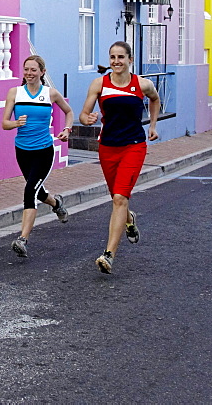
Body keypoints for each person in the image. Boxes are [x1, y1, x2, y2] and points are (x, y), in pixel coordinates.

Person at [79, 41, 160, 274]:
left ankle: (109, 255)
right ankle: (129, 219)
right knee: (118, 197)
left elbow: (155, 100)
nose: (116, 61)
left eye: (121, 57)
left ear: (130, 60)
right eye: (112, 57)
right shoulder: (99, 84)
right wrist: (88, 119)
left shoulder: (142, 84)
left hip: (133, 146)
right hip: (107, 147)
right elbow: (84, 114)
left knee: (118, 199)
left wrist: (152, 125)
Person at [2, 55, 75, 258]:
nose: (29, 73)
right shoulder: (14, 93)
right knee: (37, 190)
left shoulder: (50, 93)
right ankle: (57, 204)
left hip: (43, 150)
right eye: (26, 69)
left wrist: (67, 130)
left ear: (42, 72)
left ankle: (22, 239)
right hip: (22, 151)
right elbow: (4, 123)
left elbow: (69, 112)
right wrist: (16, 123)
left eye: (33, 70)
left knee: (29, 190)